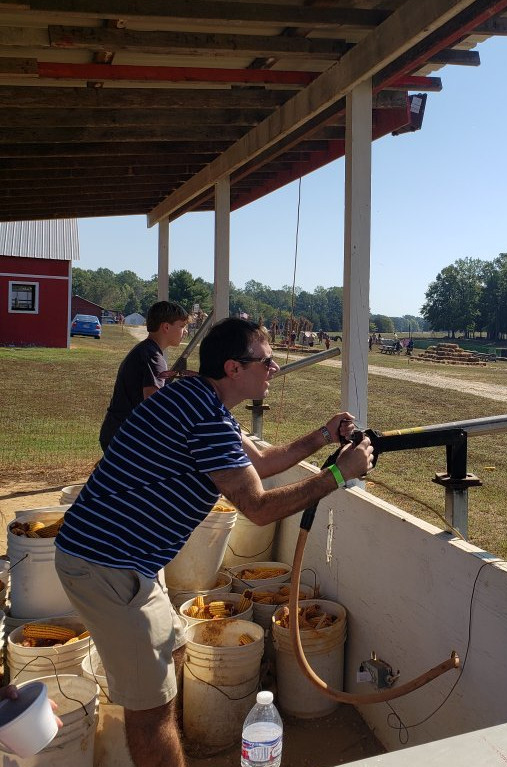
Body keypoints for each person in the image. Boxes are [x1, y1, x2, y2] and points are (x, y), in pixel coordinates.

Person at [55, 318, 373, 767]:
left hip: (112, 559)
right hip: (109, 566)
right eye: (266, 360)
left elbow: (259, 462)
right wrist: (339, 474)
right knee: (152, 714)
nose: (275, 368)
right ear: (233, 368)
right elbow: (258, 506)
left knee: (161, 679)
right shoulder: (205, 414)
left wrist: (325, 435)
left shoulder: (198, 400)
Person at [98, 301, 189, 451]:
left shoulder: (146, 350)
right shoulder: (153, 357)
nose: (184, 331)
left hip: (119, 433)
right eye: (181, 326)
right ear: (166, 327)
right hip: (127, 437)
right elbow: (154, 405)